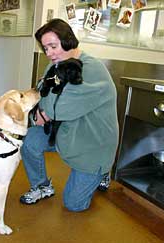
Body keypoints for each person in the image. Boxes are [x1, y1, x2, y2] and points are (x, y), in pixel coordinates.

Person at [19, 19, 119, 212]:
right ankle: (42, 187)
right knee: (29, 141)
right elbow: (42, 92)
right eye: (45, 48)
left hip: (92, 144)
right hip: (66, 130)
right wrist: (46, 110)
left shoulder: (92, 70)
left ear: (67, 40)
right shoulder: (56, 64)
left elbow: (59, 107)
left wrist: (46, 112)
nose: (49, 53)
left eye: (53, 46)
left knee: (74, 204)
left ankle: (102, 171)